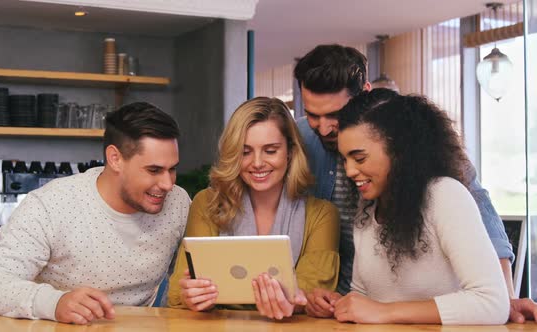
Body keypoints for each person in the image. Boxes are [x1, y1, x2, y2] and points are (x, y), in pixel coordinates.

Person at [294, 44, 537, 323]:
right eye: (313, 115)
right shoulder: (302, 143)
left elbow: (485, 226)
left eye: (334, 115)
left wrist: (503, 300)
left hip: (430, 311)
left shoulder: (441, 185)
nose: (323, 128)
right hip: (367, 304)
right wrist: (344, 303)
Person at [0, 102, 191, 325]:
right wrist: (55, 303)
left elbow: (185, 283)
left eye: (172, 169)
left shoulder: (179, 204)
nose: (167, 184)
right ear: (115, 159)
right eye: (154, 170)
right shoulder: (51, 204)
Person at [331, 89, 508, 324]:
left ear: (399, 151)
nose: (350, 171)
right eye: (345, 159)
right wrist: (341, 305)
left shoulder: (445, 194)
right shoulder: (366, 209)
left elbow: (492, 303)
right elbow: (363, 297)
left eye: (359, 158)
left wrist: (386, 312)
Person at [167, 97, 340, 320]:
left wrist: (296, 301)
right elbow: (178, 293)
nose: (257, 163)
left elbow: (309, 294)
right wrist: (192, 297)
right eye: (245, 151)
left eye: (270, 150)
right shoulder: (207, 203)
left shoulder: (322, 215)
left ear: (290, 151)